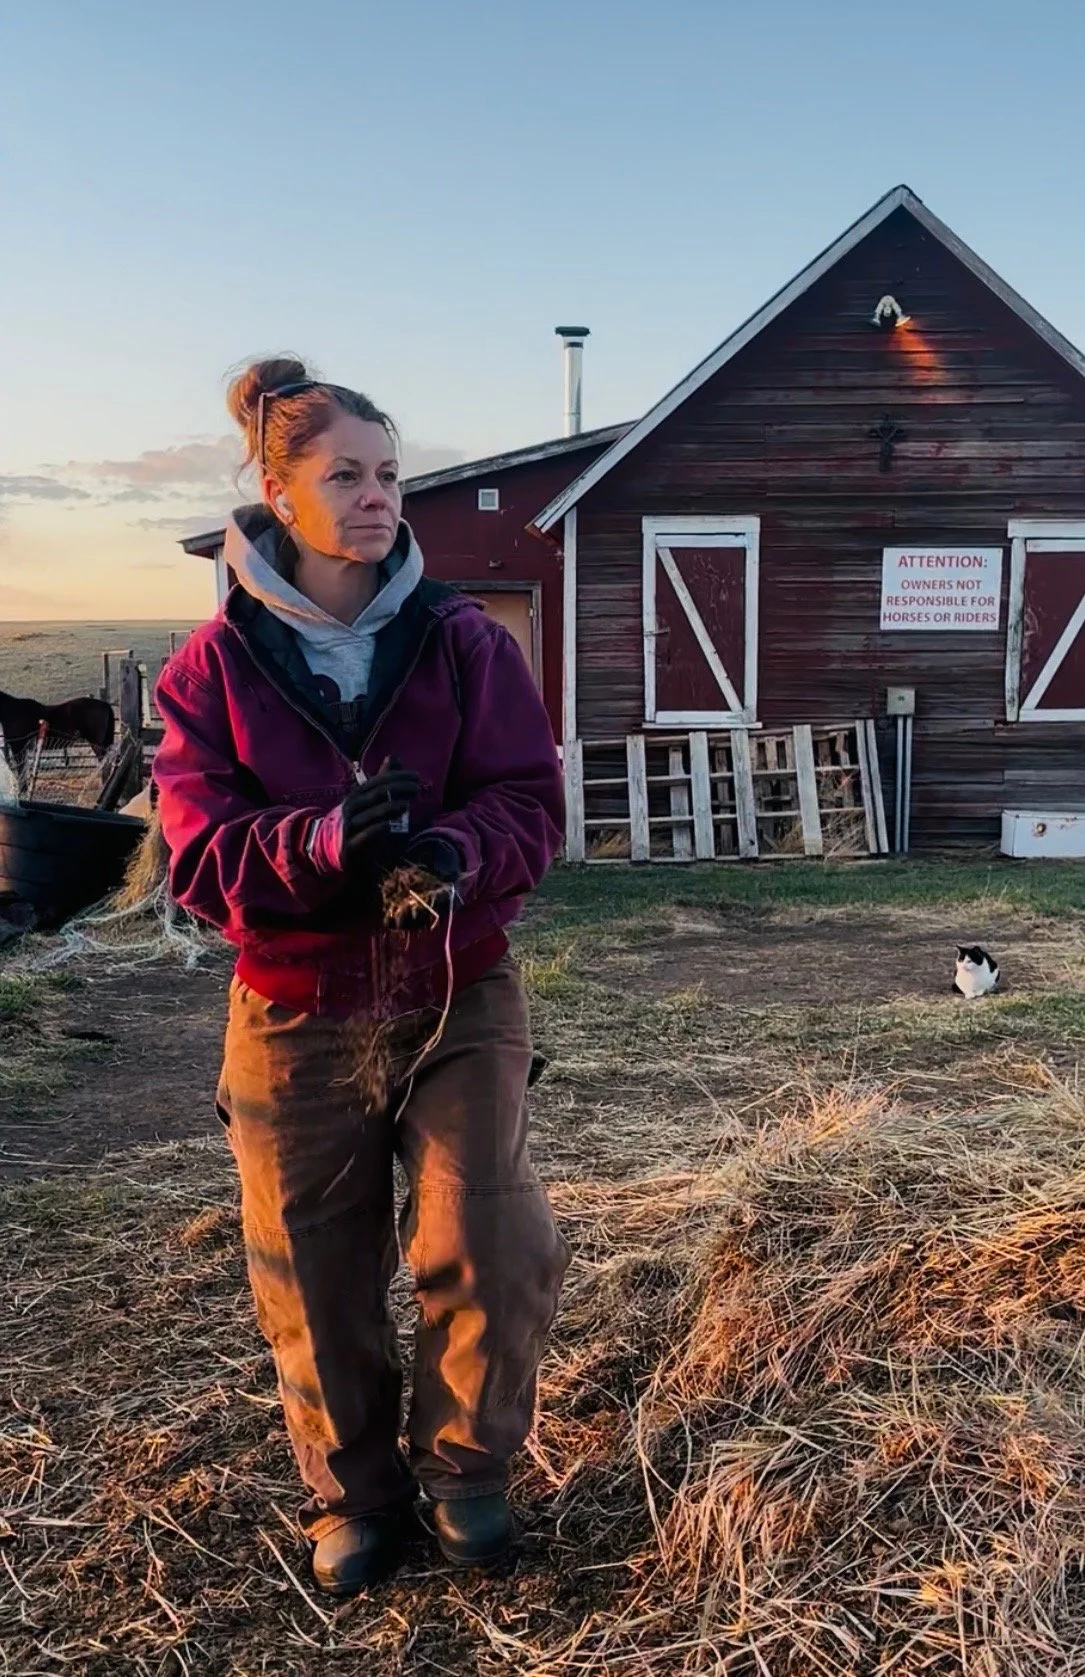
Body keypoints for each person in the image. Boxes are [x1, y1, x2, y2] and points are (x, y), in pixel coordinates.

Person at [153, 357, 569, 1596]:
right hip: (293, 1003)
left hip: (454, 985)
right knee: (311, 1261)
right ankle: (352, 1492)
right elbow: (194, 859)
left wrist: (452, 852)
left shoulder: (459, 643)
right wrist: (324, 843)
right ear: (277, 492)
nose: (379, 496)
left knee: (484, 1239)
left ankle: (467, 1478)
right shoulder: (209, 672)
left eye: (391, 475)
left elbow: (527, 804)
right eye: (346, 475)